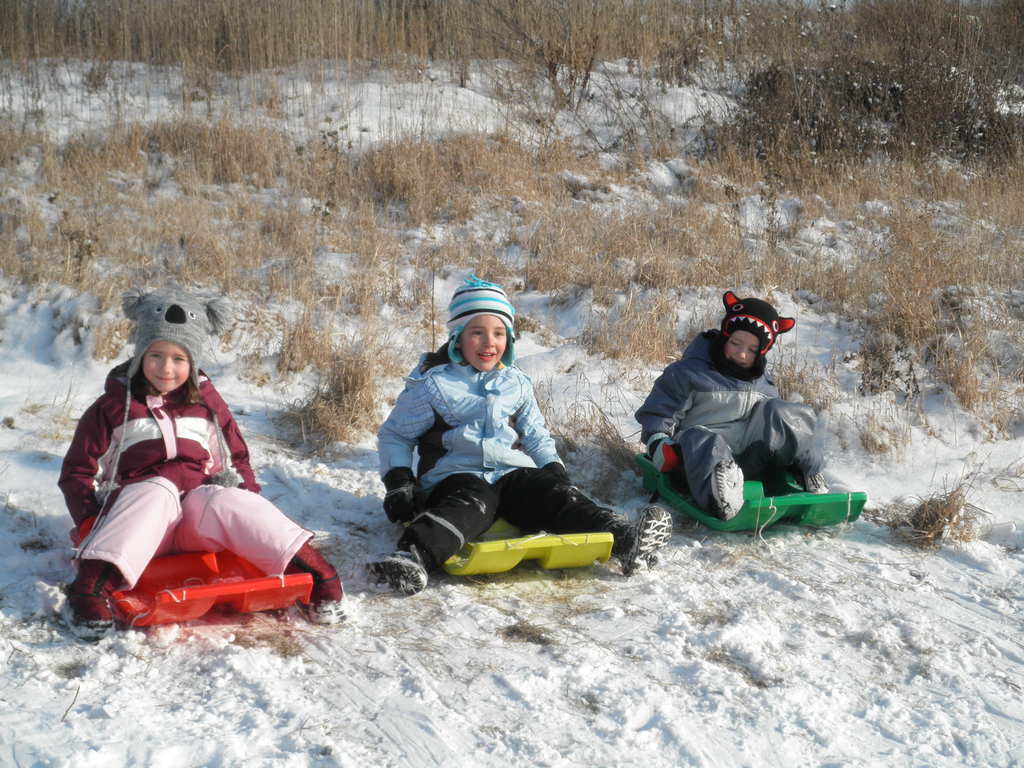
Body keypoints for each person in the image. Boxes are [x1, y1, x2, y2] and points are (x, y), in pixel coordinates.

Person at [59, 289, 343, 639]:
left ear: (193, 363)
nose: (166, 368)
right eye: (156, 355)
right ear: (139, 356)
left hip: (197, 527)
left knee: (223, 497)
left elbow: (236, 460)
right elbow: (77, 472)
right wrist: (89, 520)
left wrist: (246, 502)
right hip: (138, 526)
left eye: (179, 359)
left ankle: (318, 573)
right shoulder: (112, 408)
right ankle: (89, 587)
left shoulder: (207, 406)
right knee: (156, 489)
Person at [368, 275, 673, 595]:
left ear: (510, 338)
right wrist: (399, 481)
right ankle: (412, 556)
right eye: (477, 333)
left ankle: (625, 539)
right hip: (455, 474)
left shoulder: (516, 383)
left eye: (499, 333)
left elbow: (536, 434)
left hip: (511, 470)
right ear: (458, 337)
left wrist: (553, 468)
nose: (489, 343)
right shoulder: (433, 384)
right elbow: (396, 436)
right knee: (471, 503)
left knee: (550, 493)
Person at [635, 290, 828, 520]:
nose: (742, 354)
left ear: (763, 351)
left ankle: (808, 473)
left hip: (749, 458)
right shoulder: (689, 373)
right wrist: (659, 443)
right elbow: (659, 413)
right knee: (701, 438)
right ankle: (721, 499)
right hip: (698, 460)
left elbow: (776, 427)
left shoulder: (763, 384)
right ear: (724, 336)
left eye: (752, 350)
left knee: (783, 411)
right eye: (736, 343)